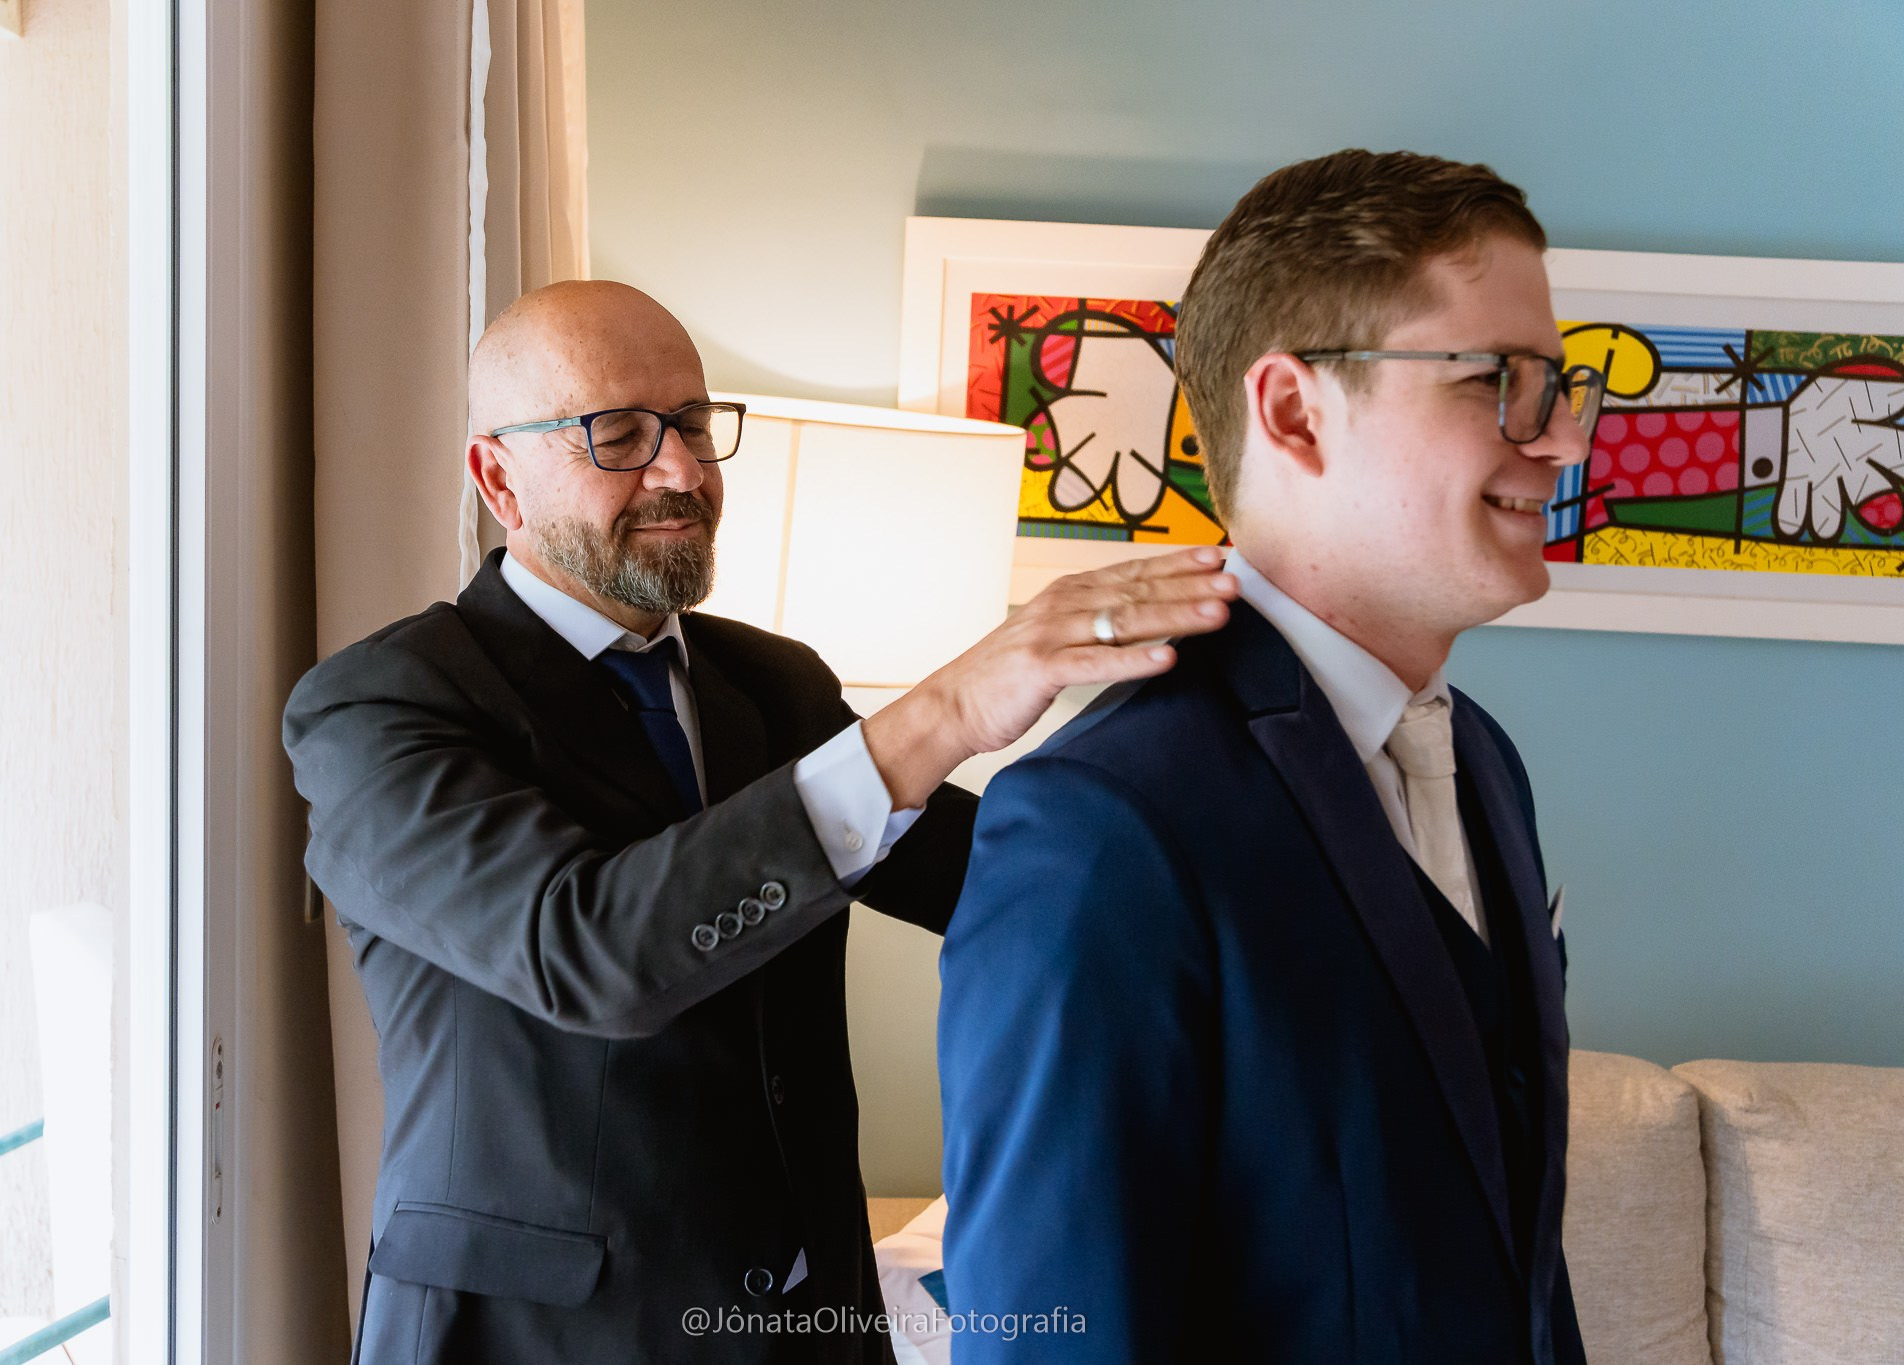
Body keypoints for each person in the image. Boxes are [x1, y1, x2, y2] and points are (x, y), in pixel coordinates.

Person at [282, 279, 1238, 1364]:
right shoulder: (377, 704)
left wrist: (1234, 798)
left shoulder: (772, 683)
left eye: (693, 424)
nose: (682, 472)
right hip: (530, 1336)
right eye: (619, 435)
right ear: (499, 477)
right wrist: (945, 711)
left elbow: (1004, 880)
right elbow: (590, 953)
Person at [936, 149, 1602, 1364]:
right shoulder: (1100, 820)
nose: (1560, 439)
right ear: (1294, 412)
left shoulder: (1483, 759)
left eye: (1560, 387)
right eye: (1497, 380)